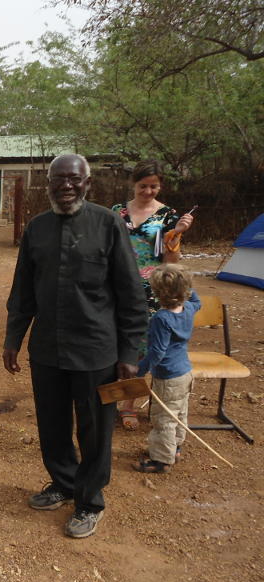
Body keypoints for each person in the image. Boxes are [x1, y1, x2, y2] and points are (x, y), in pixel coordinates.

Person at [2, 154, 148, 539]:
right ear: (47, 184)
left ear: (87, 184)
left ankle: (89, 501)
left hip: (96, 350)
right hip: (48, 349)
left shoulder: (108, 224)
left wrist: (129, 353)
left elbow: (131, 294)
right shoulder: (37, 229)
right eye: (57, 180)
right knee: (52, 425)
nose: (65, 186)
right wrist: (13, 339)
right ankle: (64, 483)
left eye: (73, 179)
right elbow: (22, 292)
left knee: (95, 431)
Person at [111, 160, 195, 430]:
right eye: (143, 186)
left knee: (141, 347)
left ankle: (129, 405)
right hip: (116, 287)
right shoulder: (117, 212)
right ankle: (107, 396)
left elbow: (170, 259)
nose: (148, 191)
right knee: (113, 343)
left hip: (151, 291)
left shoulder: (168, 215)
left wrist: (177, 234)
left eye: (154, 186)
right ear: (133, 184)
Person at [133, 264, 200, 473]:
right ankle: (175, 448)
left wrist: (141, 369)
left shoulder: (162, 318)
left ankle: (161, 460)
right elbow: (197, 300)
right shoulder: (188, 307)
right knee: (179, 413)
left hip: (168, 377)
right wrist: (185, 287)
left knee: (163, 419)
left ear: (158, 292)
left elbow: (157, 352)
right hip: (185, 373)